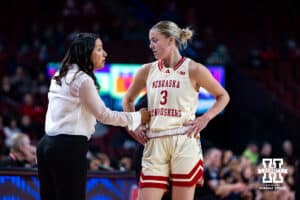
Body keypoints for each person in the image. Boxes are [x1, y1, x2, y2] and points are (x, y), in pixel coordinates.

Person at [122, 21, 230, 200]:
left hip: (183, 141)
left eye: (155, 40)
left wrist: (205, 118)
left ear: (171, 41)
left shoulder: (194, 69)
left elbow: (223, 96)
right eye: (150, 41)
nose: (151, 45)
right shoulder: (146, 70)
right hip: (155, 141)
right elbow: (127, 100)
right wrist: (134, 125)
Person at [36, 33, 150, 200]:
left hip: (46, 144)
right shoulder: (83, 80)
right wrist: (137, 117)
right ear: (86, 53)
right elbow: (104, 115)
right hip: (68, 147)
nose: (105, 54)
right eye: (99, 49)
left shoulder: (60, 73)